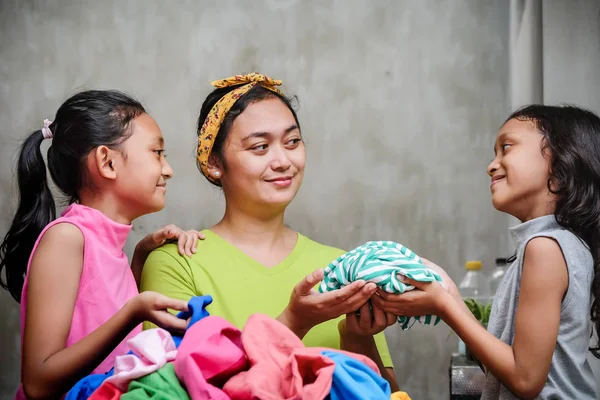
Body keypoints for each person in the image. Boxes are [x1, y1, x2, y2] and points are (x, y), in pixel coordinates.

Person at [140, 73, 399, 389]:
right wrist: (294, 321)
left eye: (292, 142)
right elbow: (176, 392)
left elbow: (387, 394)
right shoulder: (177, 263)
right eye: (260, 147)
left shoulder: (343, 267)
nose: (282, 161)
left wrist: (357, 336)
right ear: (213, 162)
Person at [372, 105, 600, 399]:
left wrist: (444, 306)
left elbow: (525, 380)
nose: (491, 165)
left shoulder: (545, 248)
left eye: (506, 148)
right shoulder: (553, 245)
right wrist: (450, 294)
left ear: (560, 168)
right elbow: (502, 365)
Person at [0, 90, 204, 400]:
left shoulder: (109, 243)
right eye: (157, 153)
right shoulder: (66, 238)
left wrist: (141, 255)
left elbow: (98, 312)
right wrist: (133, 313)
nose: (168, 169)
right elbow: (39, 384)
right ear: (107, 162)